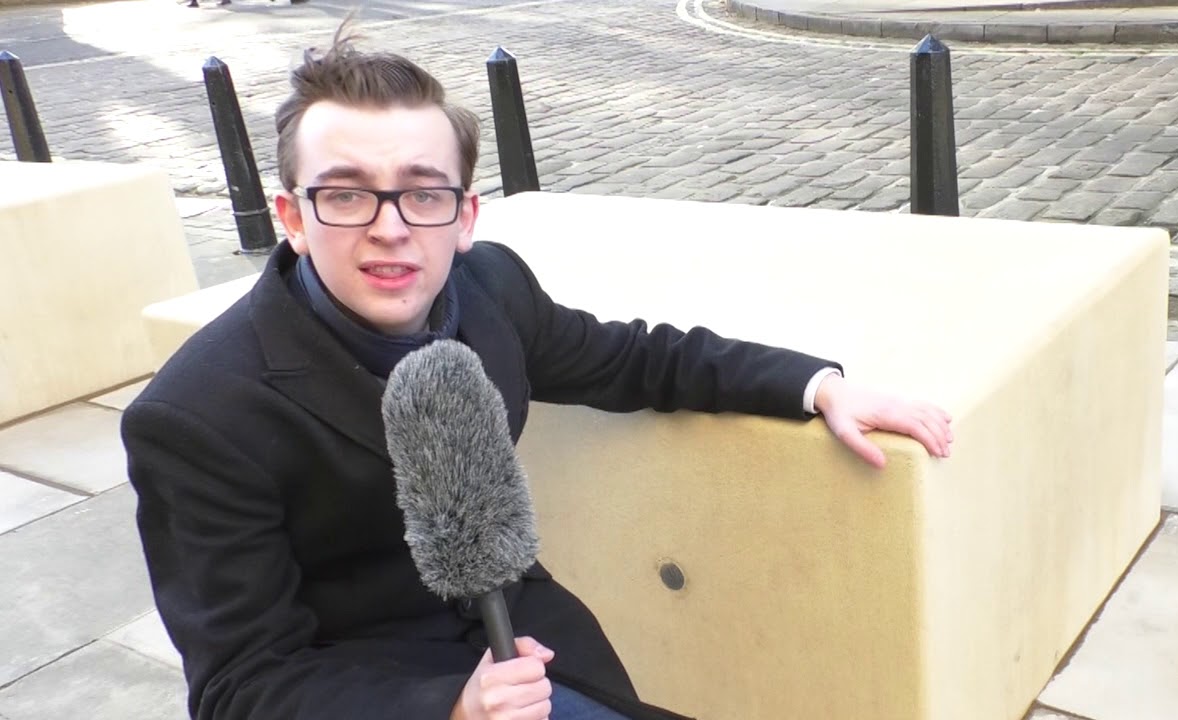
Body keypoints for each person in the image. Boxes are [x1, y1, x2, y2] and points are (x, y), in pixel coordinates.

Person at [121, 20, 953, 720]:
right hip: (374, 686)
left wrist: (816, 387)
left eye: (423, 191)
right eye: (345, 195)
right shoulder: (198, 414)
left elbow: (634, 358)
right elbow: (240, 685)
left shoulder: (491, 286)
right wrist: (448, 705)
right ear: (291, 217)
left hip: (533, 633)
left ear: (465, 214)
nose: (390, 227)